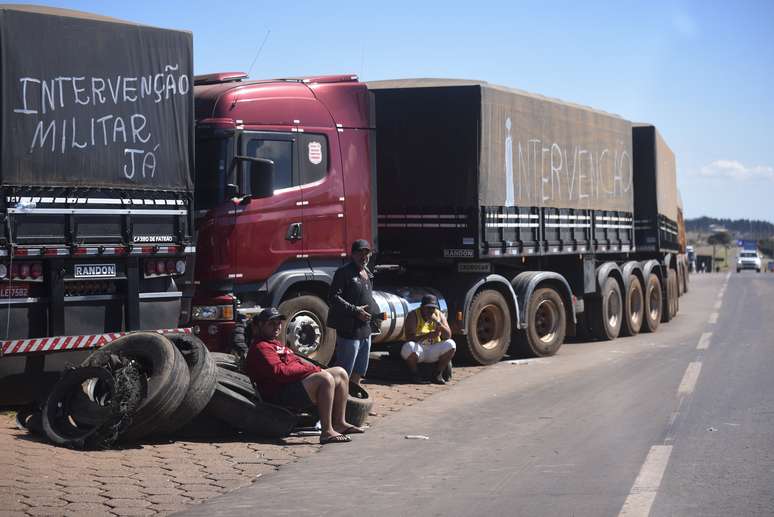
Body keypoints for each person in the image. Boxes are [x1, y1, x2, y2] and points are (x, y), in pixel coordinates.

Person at [245, 307, 364, 444]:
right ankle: (327, 431)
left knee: (340, 373)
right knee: (324, 378)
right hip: (279, 394)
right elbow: (280, 372)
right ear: (260, 325)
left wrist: (311, 369)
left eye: (278, 323)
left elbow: (294, 363)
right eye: (271, 323)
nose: (276, 327)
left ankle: (340, 423)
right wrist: (312, 371)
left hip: (291, 384)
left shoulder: (276, 343)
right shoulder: (261, 347)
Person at [327, 239, 376, 385]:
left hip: (365, 330)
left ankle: (352, 402)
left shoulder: (368, 273)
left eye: (367, 253)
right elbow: (333, 297)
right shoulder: (344, 272)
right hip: (349, 330)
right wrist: (355, 310)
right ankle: (338, 401)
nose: (364, 257)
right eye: (360, 253)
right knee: (343, 371)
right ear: (352, 255)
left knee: (360, 370)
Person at [401, 294, 456, 385]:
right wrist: (427, 336)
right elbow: (409, 338)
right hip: (420, 350)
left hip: (433, 350)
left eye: (433, 308)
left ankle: (438, 374)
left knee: (451, 344)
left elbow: (448, 335)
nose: (431, 311)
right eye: (428, 308)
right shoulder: (413, 315)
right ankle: (415, 374)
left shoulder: (438, 314)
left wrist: (438, 323)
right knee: (408, 346)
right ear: (422, 307)